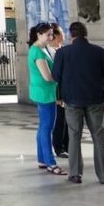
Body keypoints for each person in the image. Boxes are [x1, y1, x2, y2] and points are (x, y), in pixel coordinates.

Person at [52, 21, 104, 185]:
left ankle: (75, 173)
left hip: (72, 100)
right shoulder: (99, 52)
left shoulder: (62, 53)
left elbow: (55, 76)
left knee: (74, 135)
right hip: (95, 99)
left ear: (71, 35)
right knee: (99, 136)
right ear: (85, 34)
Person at [28, 22, 64, 175]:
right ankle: (50, 162)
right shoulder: (37, 51)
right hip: (45, 93)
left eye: (51, 34)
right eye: (47, 34)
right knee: (47, 127)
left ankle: (42, 159)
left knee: (44, 126)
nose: (51, 37)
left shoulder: (42, 48)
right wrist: (61, 78)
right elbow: (47, 76)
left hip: (44, 92)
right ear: (39, 34)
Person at [46, 23, 69, 159]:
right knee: (59, 120)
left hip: (67, 90)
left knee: (67, 119)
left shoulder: (64, 50)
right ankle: (59, 147)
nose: (64, 35)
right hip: (55, 90)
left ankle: (67, 145)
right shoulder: (48, 52)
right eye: (61, 32)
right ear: (55, 36)